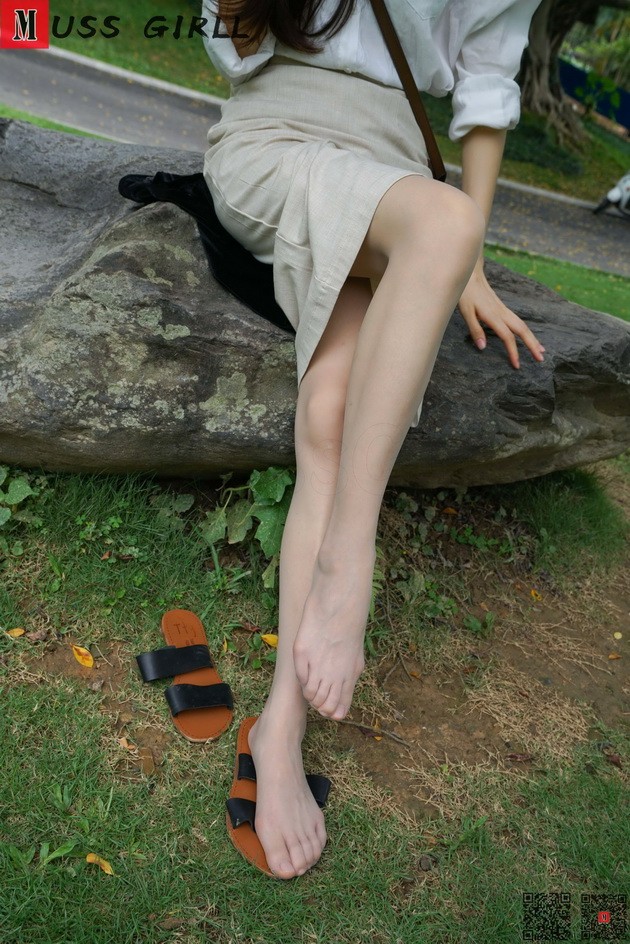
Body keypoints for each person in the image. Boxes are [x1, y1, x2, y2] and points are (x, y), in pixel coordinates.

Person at [201, 0, 544, 880]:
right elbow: (226, 42)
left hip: (397, 180)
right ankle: (347, 559)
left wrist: (465, 263)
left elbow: (487, 85)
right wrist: (454, 238)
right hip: (281, 140)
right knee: (444, 222)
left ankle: (279, 727)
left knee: (331, 412)